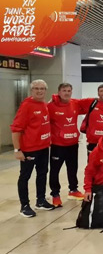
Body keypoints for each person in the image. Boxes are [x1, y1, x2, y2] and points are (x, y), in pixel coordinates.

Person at [11, 79, 54, 217]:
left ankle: (40, 200)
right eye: (36, 88)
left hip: (43, 147)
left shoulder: (44, 104)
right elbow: (16, 129)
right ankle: (24, 205)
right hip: (29, 149)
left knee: (42, 174)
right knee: (25, 176)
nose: (39, 91)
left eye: (42, 88)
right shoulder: (27, 106)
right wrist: (17, 150)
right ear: (32, 90)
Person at [47, 83, 87, 207]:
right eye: (64, 90)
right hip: (57, 145)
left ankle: (73, 190)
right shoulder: (50, 106)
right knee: (55, 170)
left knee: (72, 168)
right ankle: (55, 194)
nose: (67, 93)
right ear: (59, 92)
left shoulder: (75, 103)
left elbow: (90, 106)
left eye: (69, 90)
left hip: (73, 144)